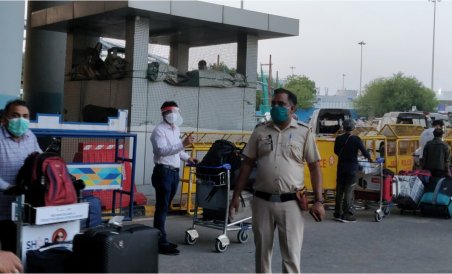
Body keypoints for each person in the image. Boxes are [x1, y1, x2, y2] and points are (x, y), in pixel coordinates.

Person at [229, 88, 325, 273]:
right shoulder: (260, 131)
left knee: (291, 256)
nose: (276, 107)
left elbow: (315, 167)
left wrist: (319, 201)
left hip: (291, 203)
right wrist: (236, 195)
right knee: (262, 254)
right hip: (261, 201)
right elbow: (247, 164)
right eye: (273, 104)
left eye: (281, 104)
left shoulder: (304, 133)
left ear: (292, 108)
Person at [150, 101, 198, 255]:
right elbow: (163, 150)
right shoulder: (158, 131)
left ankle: (161, 238)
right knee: (162, 207)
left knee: (166, 206)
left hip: (173, 173)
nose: (174, 115)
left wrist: (189, 158)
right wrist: (183, 144)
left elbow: (177, 151)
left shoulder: (176, 129)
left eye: (176, 112)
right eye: (171, 112)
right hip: (163, 172)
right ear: (164, 113)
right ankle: (160, 242)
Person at [0, 99, 42, 253]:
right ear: (5, 119)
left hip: (19, 210)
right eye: (16, 115)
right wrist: (9, 187)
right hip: (1, 204)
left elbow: (40, 160)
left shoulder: (30, 136)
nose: (21, 120)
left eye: (25, 116)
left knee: (14, 251)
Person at [333, 119, 372, 223]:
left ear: (343, 127)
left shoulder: (339, 139)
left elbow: (336, 151)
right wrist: (370, 159)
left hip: (341, 168)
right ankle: (347, 214)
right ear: (353, 128)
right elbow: (364, 152)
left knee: (340, 190)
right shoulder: (356, 139)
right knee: (349, 191)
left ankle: (337, 213)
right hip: (351, 168)